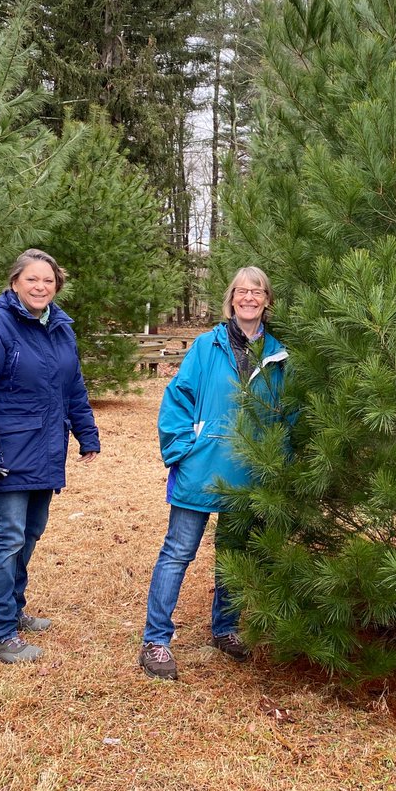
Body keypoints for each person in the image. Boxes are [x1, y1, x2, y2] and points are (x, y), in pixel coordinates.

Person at [139, 266, 288, 680]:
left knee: (234, 554)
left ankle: (224, 629)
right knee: (178, 552)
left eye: (257, 291)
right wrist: (183, 449)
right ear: (231, 298)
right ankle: (156, 640)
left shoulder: (278, 355)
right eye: (242, 290)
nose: (249, 297)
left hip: (249, 472)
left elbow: (286, 416)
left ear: (267, 300)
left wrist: (278, 465)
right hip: (201, 467)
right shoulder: (207, 347)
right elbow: (177, 399)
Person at [0, 249, 100, 664]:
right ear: (15, 282)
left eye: (48, 281)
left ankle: (12, 610)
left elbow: (72, 385)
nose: (41, 287)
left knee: (29, 534)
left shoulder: (59, 328)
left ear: (57, 286)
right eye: (32, 280)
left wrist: (86, 433)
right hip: (6, 453)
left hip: (45, 451)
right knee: (6, 539)